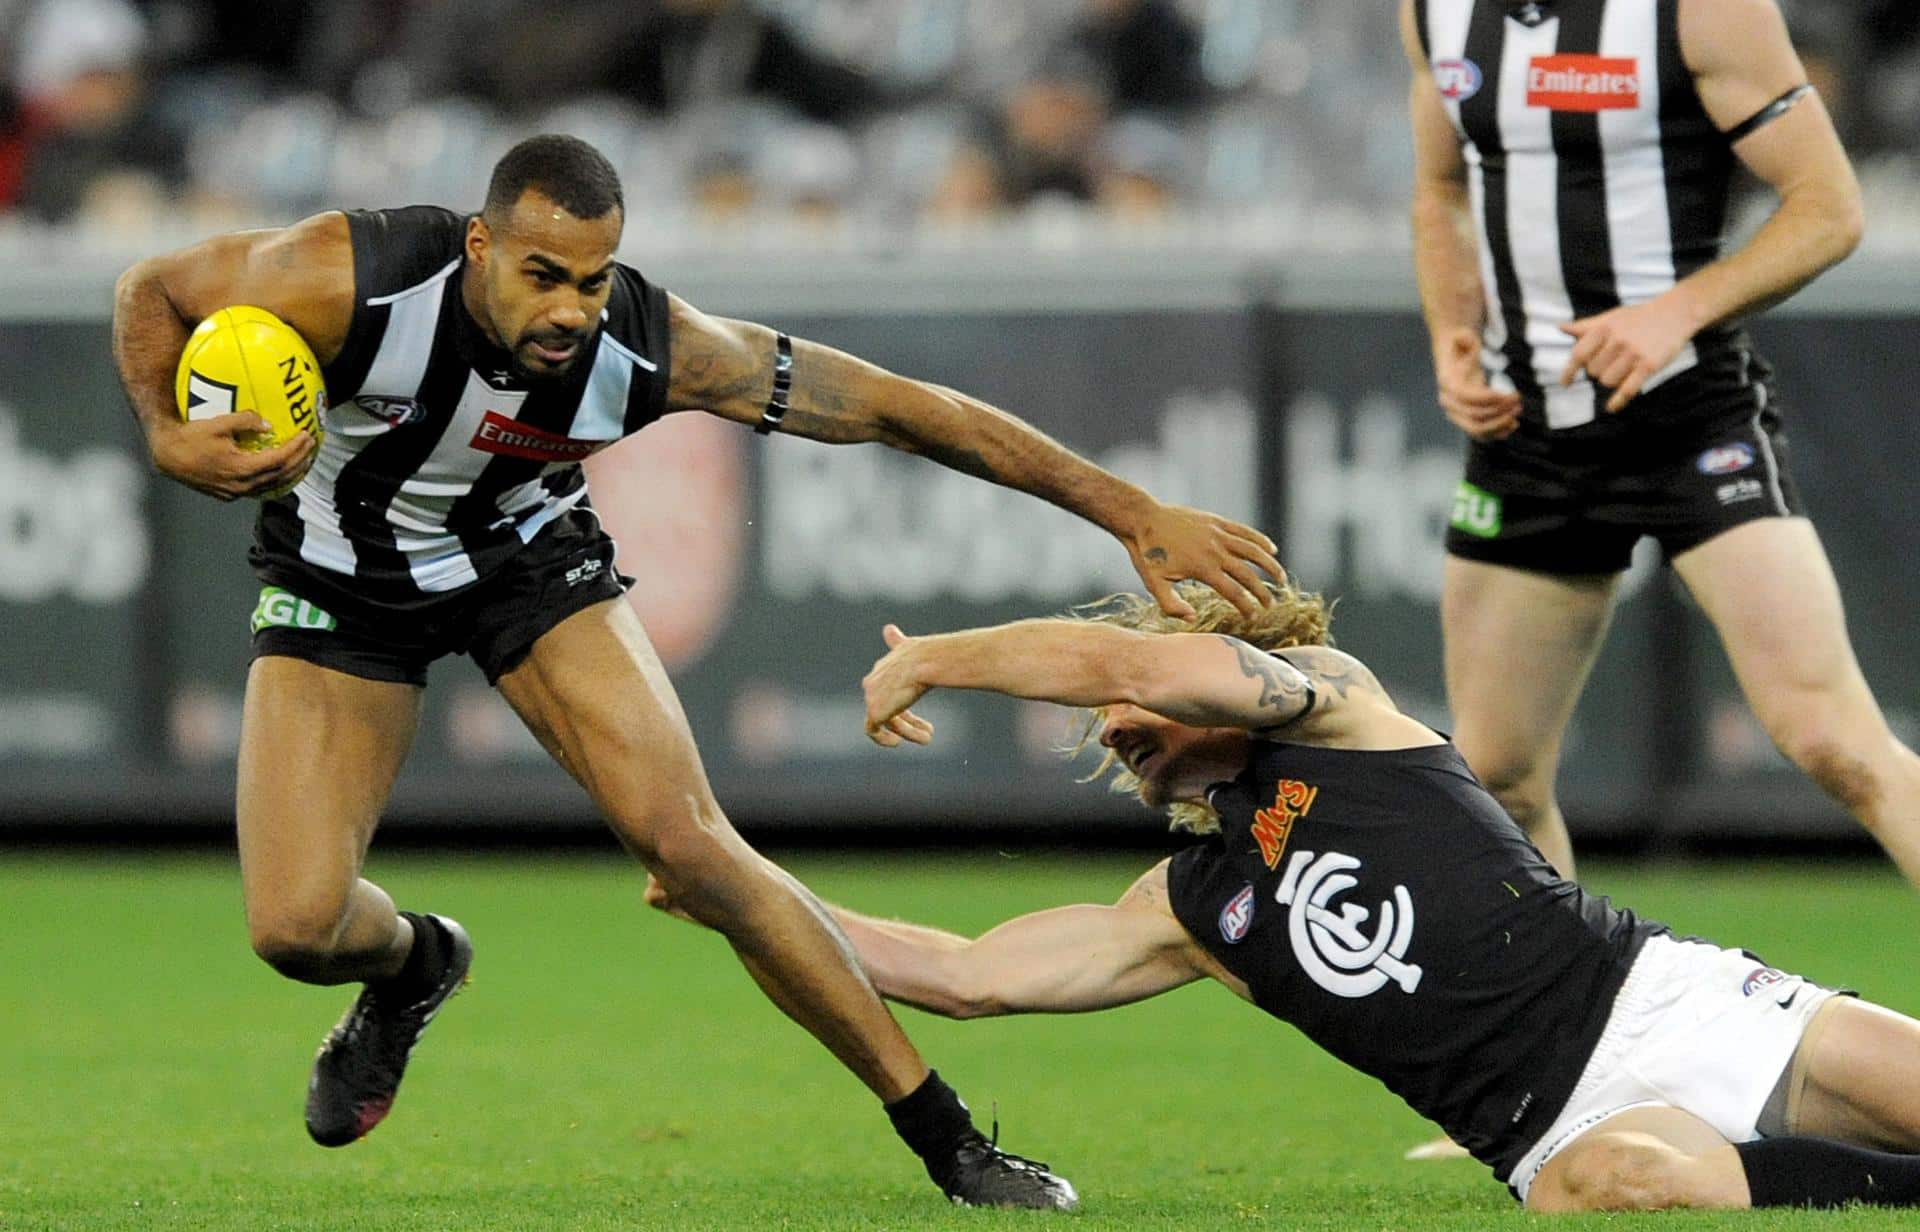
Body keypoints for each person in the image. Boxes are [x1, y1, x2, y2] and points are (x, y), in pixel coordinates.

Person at [109, 133, 1285, 1210]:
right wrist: (167, 433)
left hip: (528, 563)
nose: (571, 307)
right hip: (338, 581)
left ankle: (948, 1137)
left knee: (694, 844)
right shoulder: (348, 276)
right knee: (297, 928)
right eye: (541, 274)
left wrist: (1126, 506)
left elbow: (895, 408)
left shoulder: (653, 347)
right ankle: (419, 963)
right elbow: (151, 290)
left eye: (593, 275)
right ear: (478, 245)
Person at [649, 581, 1920, 1211]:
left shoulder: (1331, 705)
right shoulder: (1192, 901)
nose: (1116, 729)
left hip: (1671, 995)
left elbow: (1126, 656)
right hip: (1556, 1128)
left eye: (1128, 712)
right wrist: (742, 887)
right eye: (1108, 730)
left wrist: (938, 655)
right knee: (1621, 1187)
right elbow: (970, 974)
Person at [1402, 0, 1920, 885]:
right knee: (1497, 779)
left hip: (1689, 421)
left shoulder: (1701, 7)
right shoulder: (1433, 11)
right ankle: (1572, 1023)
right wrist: (1454, 329)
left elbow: (1829, 208)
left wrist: (1675, 312)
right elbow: (1442, 189)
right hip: (1525, 434)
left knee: (1833, 739)